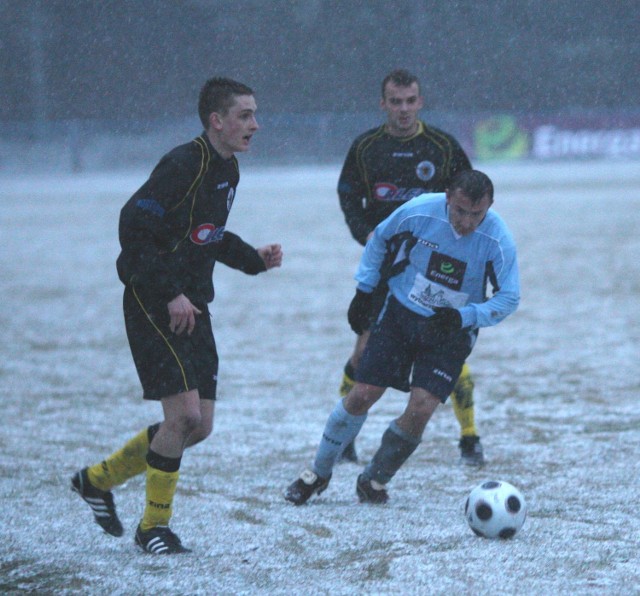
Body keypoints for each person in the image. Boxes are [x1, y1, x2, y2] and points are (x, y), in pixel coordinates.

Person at [71, 77, 283, 554]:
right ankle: (153, 528)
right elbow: (133, 225)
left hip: (193, 304)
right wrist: (169, 293)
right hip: (155, 301)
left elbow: (207, 235)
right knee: (183, 415)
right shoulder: (184, 163)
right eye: (245, 115)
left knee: (198, 426)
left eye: (254, 114)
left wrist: (253, 259)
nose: (255, 124)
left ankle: (96, 480)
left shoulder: (228, 171)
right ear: (217, 121)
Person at [285, 169, 519, 505]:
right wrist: (364, 290)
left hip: (450, 331)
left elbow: (509, 297)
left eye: (476, 214)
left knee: (421, 407)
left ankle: (374, 479)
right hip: (401, 315)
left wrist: (463, 317)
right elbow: (379, 238)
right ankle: (317, 473)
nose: (466, 222)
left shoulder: (497, 239)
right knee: (363, 393)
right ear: (448, 197)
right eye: (460, 211)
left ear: (490, 206)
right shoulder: (420, 210)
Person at [336, 69, 484, 466]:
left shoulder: (441, 146)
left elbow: (473, 196)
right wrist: (365, 234)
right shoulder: (365, 148)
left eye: (410, 101)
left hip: (437, 266)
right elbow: (348, 197)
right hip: (387, 266)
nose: (403, 109)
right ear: (383, 103)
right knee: (363, 354)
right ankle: (344, 437)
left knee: (447, 348)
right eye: (395, 101)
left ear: (420, 102)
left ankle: (469, 437)